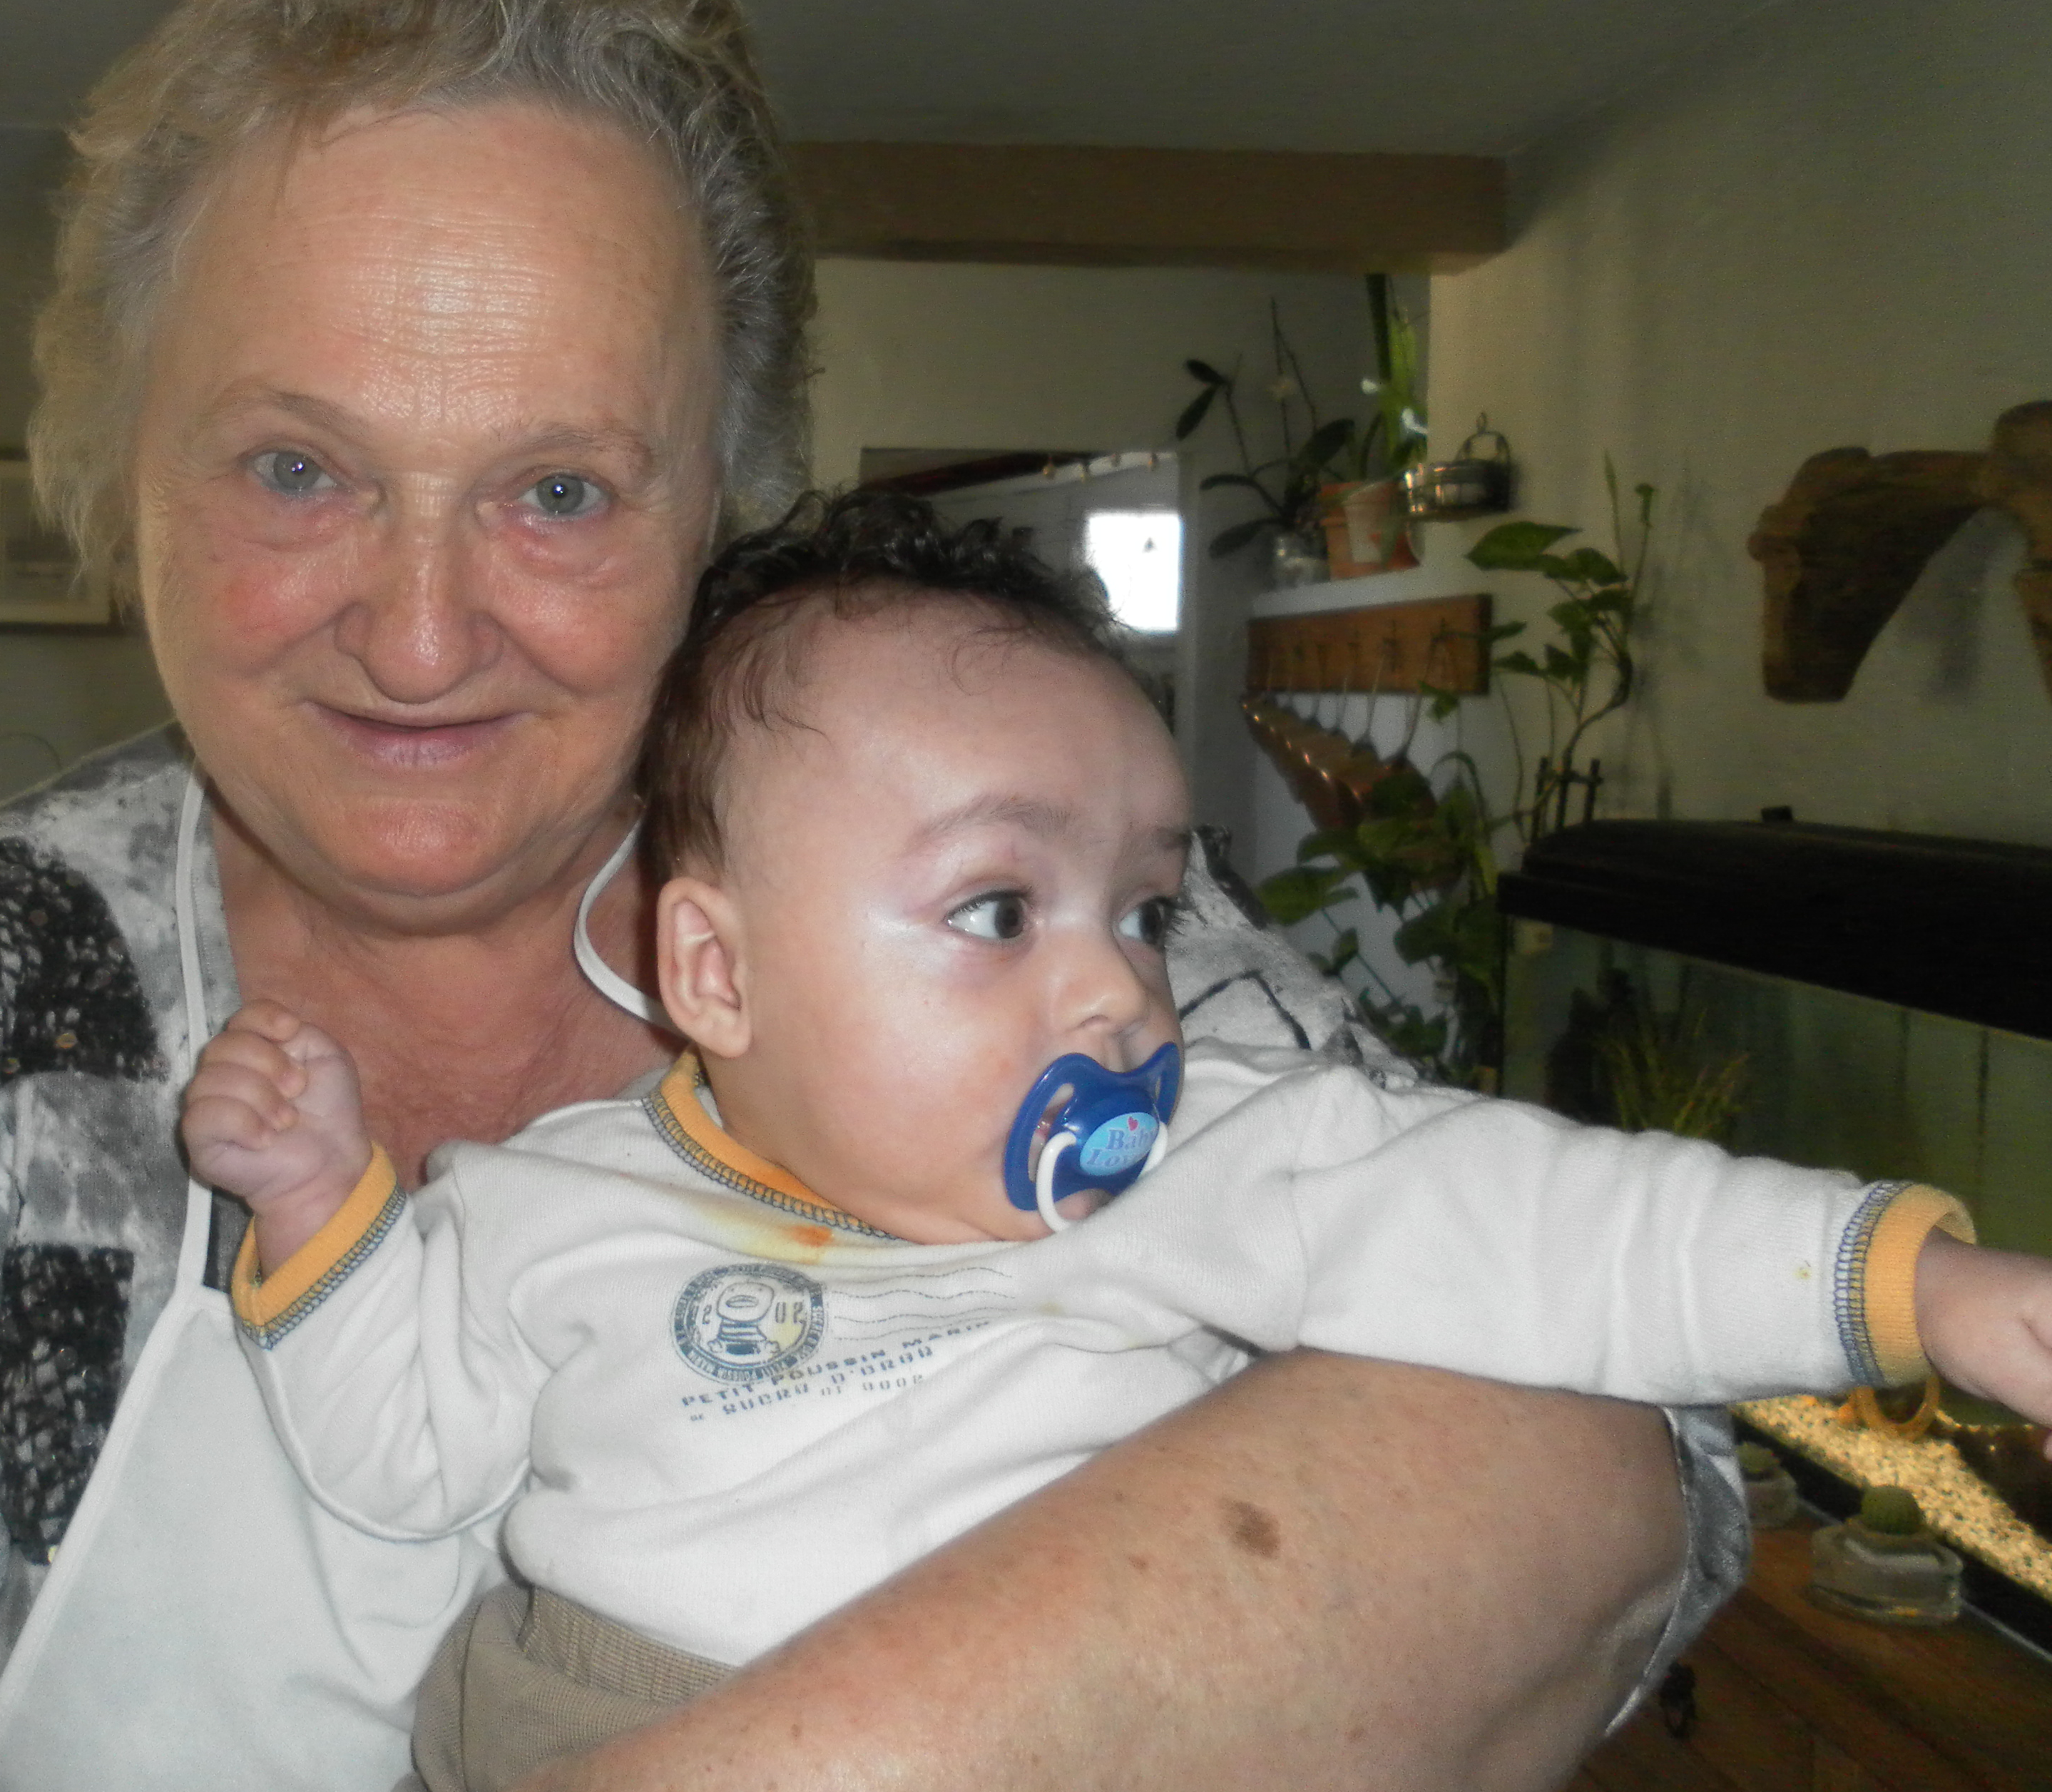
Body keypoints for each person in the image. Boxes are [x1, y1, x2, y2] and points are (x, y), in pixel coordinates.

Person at [0, 0, 1735, 1792]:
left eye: (560, 489)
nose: (419, 634)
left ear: (724, 506)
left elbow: (1633, 1445)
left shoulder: (1027, 891)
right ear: (125, 478)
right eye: (296, 468)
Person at [183, 490, 2052, 1792]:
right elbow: (398, 1452)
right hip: (583, 1720)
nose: (1120, 992)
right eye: (1000, 911)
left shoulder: (1215, 1155)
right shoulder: (550, 1204)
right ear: (717, 971)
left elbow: (1542, 1221)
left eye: (1145, 908)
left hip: (1092, 1717)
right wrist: (323, 1209)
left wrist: (1920, 1285)